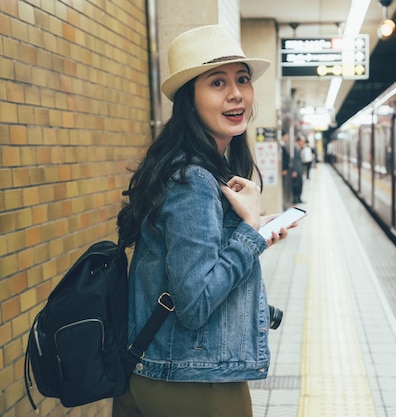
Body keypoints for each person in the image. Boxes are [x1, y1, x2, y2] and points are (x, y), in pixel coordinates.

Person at [114, 25, 293, 417]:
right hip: (193, 385)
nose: (236, 94)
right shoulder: (192, 179)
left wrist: (254, 229)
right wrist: (248, 234)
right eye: (217, 82)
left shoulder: (195, 170)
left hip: (167, 375)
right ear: (189, 100)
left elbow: (194, 258)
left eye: (242, 79)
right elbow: (194, 304)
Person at [291, 136, 305, 204]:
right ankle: (296, 199)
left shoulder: (298, 148)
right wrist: (294, 170)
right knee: (296, 185)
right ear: (299, 141)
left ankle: (299, 198)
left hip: (299, 169)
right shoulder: (294, 148)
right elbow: (293, 160)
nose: (303, 143)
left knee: (300, 184)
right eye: (302, 141)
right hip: (296, 170)